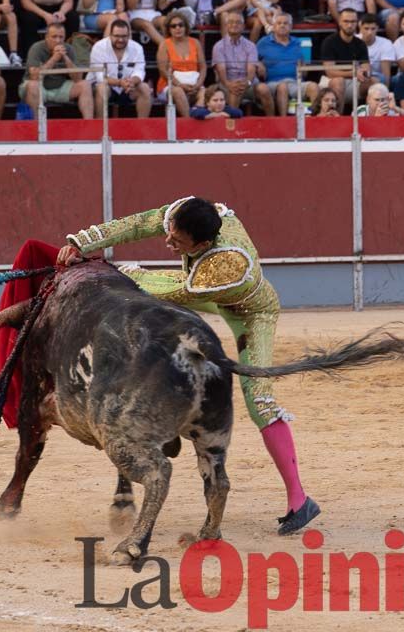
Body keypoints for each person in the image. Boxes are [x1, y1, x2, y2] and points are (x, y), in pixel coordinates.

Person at [57, 196, 323, 535]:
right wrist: (81, 241)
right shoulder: (189, 216)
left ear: (204, 243)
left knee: (260, 402)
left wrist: (119, 272)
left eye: (177, 241)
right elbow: (140, 223)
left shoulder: (224, 266)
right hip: (201, 285)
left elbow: (180, 292)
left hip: (250, 311)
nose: (168, 241)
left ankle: (299, 500)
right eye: (170, 233)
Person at [20, 23, 96, 119]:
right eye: (54, 37)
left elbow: (78, 78)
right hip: (39, 87)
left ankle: (89, 124)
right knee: (32, 85)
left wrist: (65, 57)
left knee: (85, 85)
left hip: (59, 86)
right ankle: (36, 127)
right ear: (46, 37)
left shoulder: (69, 49)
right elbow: (34, 77)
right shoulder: (36, 48)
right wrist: (54, 58)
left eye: (61, 37)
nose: (58, 41)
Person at [89, 18, 152, 117]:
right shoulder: (99, 47)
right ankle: (100, 127)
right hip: (106, 86)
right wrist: (119, 82)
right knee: (102, 88)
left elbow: (139, 71)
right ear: (110, 35)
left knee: (144, 88)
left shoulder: (137, 48)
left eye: (124, 36)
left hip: (128, 87)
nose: (121, 40)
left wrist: (132, 81)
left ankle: (142, 126)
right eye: (117, 36)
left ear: (129, 35)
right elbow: (100, 76)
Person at [253, 13, 311, 116]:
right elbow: (250, 57)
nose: (282, 25)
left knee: (314, 87)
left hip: (295, 82)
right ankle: (283, 121)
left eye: (285, 23)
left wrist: (304, 68)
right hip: (273, 82)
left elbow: (304, 68)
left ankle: (315, 122)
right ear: (274, 26)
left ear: (291, 27)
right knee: (283, 87)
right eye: (279, 23)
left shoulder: (297, 42)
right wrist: (258, 63)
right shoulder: (264, 43)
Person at [319, 6, 371, 110]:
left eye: (353, 22)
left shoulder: (360, 44)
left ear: (357, 23)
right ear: (340, 22)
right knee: (339, 81)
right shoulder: (329, 42)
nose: (350, 25)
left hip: (354, 81)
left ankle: (370, 119)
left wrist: (364, 73)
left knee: (374, 81)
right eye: (346, 21)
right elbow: (330, 72)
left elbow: (366, 68)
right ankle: (338, 120)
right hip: (330, 81)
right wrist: (353, 72)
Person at [211, 12, 263, 112]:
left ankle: (271, 122)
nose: (234, 25)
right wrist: (229, 84)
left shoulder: (250, 46)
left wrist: (246, 83)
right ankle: (232, 124)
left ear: (243, 26)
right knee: (235, 91)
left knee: (263, 89)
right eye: (230, 22)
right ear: (226, 26)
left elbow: (251, 70)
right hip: (227, 82)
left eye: (238, 22)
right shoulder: (218, 46)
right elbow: (221, 71)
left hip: (248, 83)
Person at [156, 11, 204, 115]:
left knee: (205, 92)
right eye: (173, 26)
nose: (177, 28)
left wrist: (198, 84)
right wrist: (180, 85)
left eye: (180, 25)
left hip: (194, 84)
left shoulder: (195, 42)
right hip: (170, 85)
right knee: (178, 91)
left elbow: (203, 67)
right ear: (169, 29)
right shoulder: (164, 44)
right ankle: (189, 122)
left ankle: (197, 114)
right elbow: (163, 71)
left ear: (186, 27)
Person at [358, 12, 395, 87]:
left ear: (377, 28)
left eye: (373, 29)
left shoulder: (386, 43)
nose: (369, 32)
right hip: (357, 76)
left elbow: (386, 74)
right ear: (360, 27)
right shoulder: (353, 41)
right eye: (366, 28)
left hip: (377, 77)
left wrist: (386, 91)